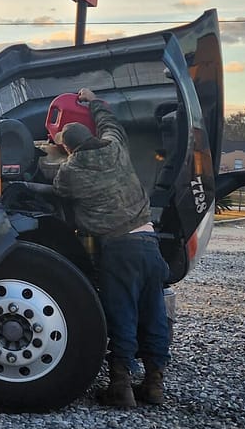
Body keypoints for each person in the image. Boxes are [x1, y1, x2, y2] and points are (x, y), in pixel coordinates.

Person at [48, 87, 170, 409]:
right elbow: (110, 122)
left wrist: (60, 155)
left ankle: (121, 386)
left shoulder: (71, 171)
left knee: (123, 315)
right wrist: (93, 100)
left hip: (119, 249)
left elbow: (57, 188)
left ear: (68, 148)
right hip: (149, 242)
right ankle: (155, 383)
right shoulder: (117, 147)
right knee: (154, 313)